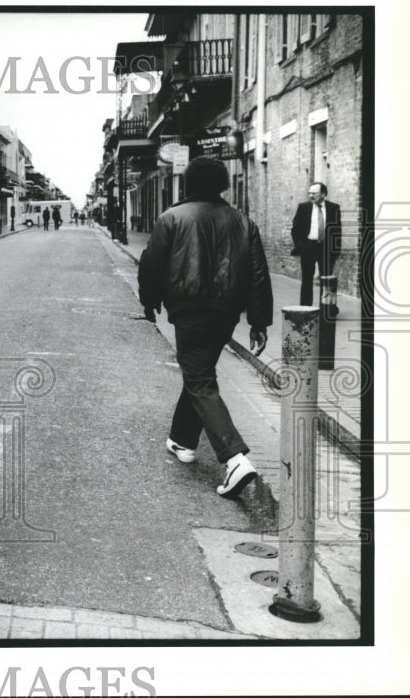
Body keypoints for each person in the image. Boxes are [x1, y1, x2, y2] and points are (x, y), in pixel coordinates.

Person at [138, 156, 273, 499]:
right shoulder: (243, 222)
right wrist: (259, 320)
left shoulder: (172, 217)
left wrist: (149, 300)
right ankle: (183, 441)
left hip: (190, 311)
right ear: (223, 184)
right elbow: (258, 274)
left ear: (189, 184)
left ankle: (235, 459)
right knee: (200, 374)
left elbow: (152, 265)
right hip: (225, 314)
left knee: (199, 379)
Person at [290, 182, 341, 307]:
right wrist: (300, 246)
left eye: (314, 193)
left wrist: (335, 250)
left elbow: (337, 230)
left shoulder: (333, 208)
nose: (311, 196)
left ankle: (326, 308)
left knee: (327, 279)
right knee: (307, 279)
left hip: (326, 248)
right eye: (309, 193)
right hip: (308, 246)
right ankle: (305, 308)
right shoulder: (303, 207)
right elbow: (295, 229)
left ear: (323, 194)